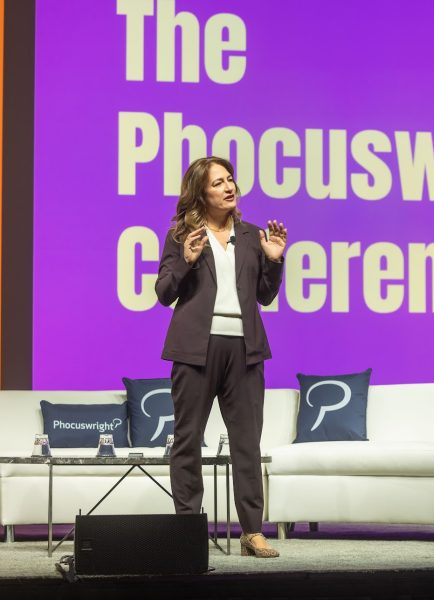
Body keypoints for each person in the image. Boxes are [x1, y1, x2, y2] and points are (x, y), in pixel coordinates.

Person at [155, 156, 287, 558]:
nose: (229, 187)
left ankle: (252, 532)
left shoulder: (251, 235)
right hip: (196, 348)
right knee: (188, 440)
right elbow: (164, 293)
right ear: (200, 193)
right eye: (218, 183)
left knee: (247, 443)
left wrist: (274, 260)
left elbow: (265, 296)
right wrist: (186, 261)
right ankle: (187, 531)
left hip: (245, 349)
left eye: (230, 180)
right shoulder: (182, 235)